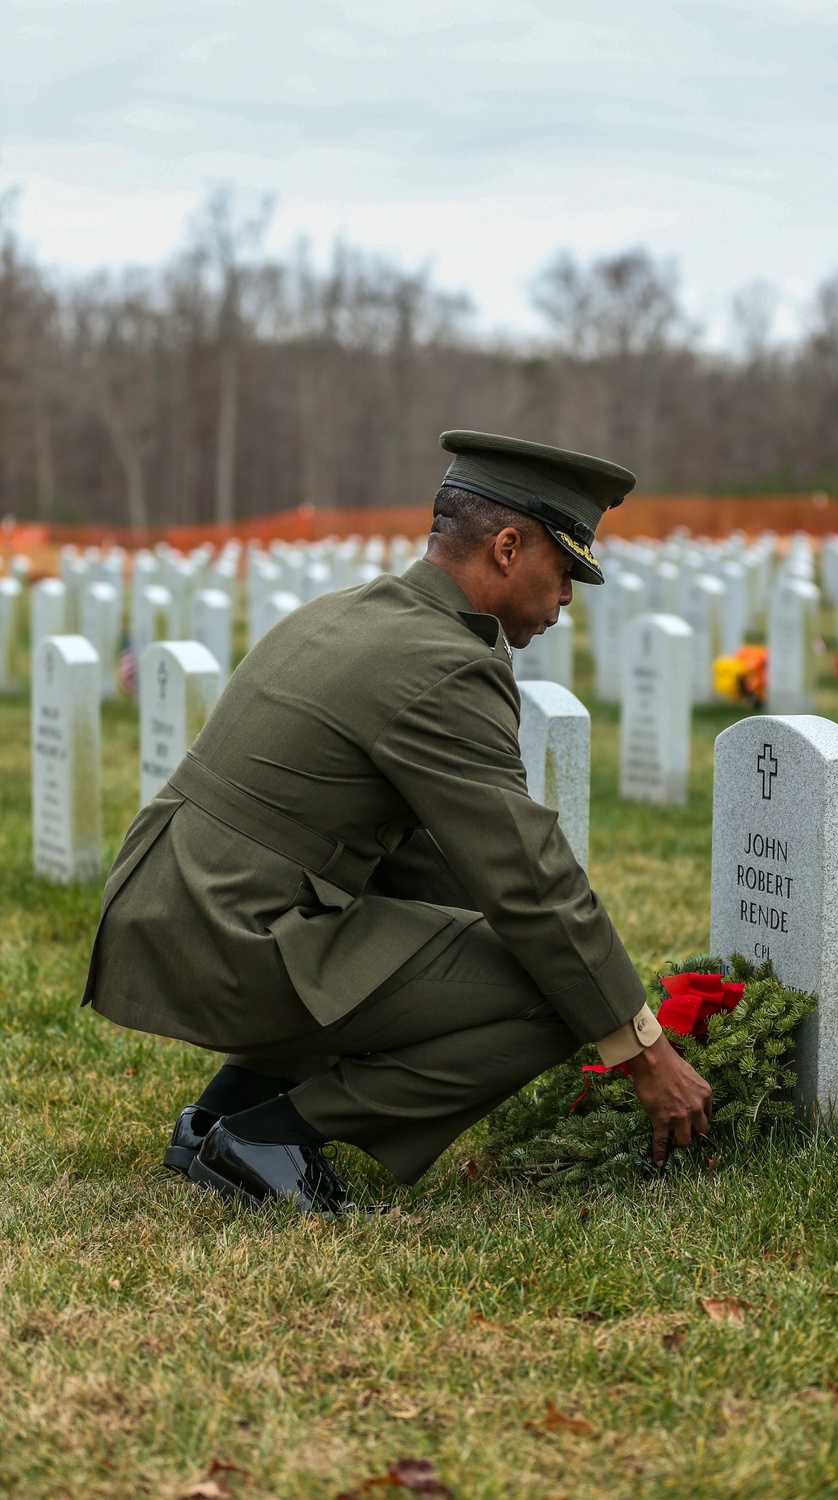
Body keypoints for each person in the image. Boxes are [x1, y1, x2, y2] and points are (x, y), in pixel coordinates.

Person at [82, 431, 712, 1215]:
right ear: (509, 548)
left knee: (502, 947)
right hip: (228, 938)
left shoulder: (350, 612)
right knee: (554, 1000)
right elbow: (528, 877)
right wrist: (640, 1045)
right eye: (565, 571)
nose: (567, 600)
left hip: (166, 907)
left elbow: (426, 856)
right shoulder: (447, 665)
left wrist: (509, 944)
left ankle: (219, 1116)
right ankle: (271, 1136)